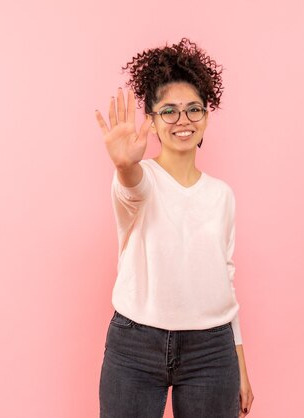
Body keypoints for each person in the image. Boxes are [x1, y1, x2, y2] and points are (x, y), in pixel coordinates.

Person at [94, 38, 254, 418]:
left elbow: (225, 281)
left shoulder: (222, 195)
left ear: (206, 116)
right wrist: (123, 166)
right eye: (169, 111)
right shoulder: (142, 180)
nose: (183, 121)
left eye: (193, 109)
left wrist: (241, 368)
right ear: (150, 119)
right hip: (135, 344)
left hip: (212, 352)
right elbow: (132, 189)